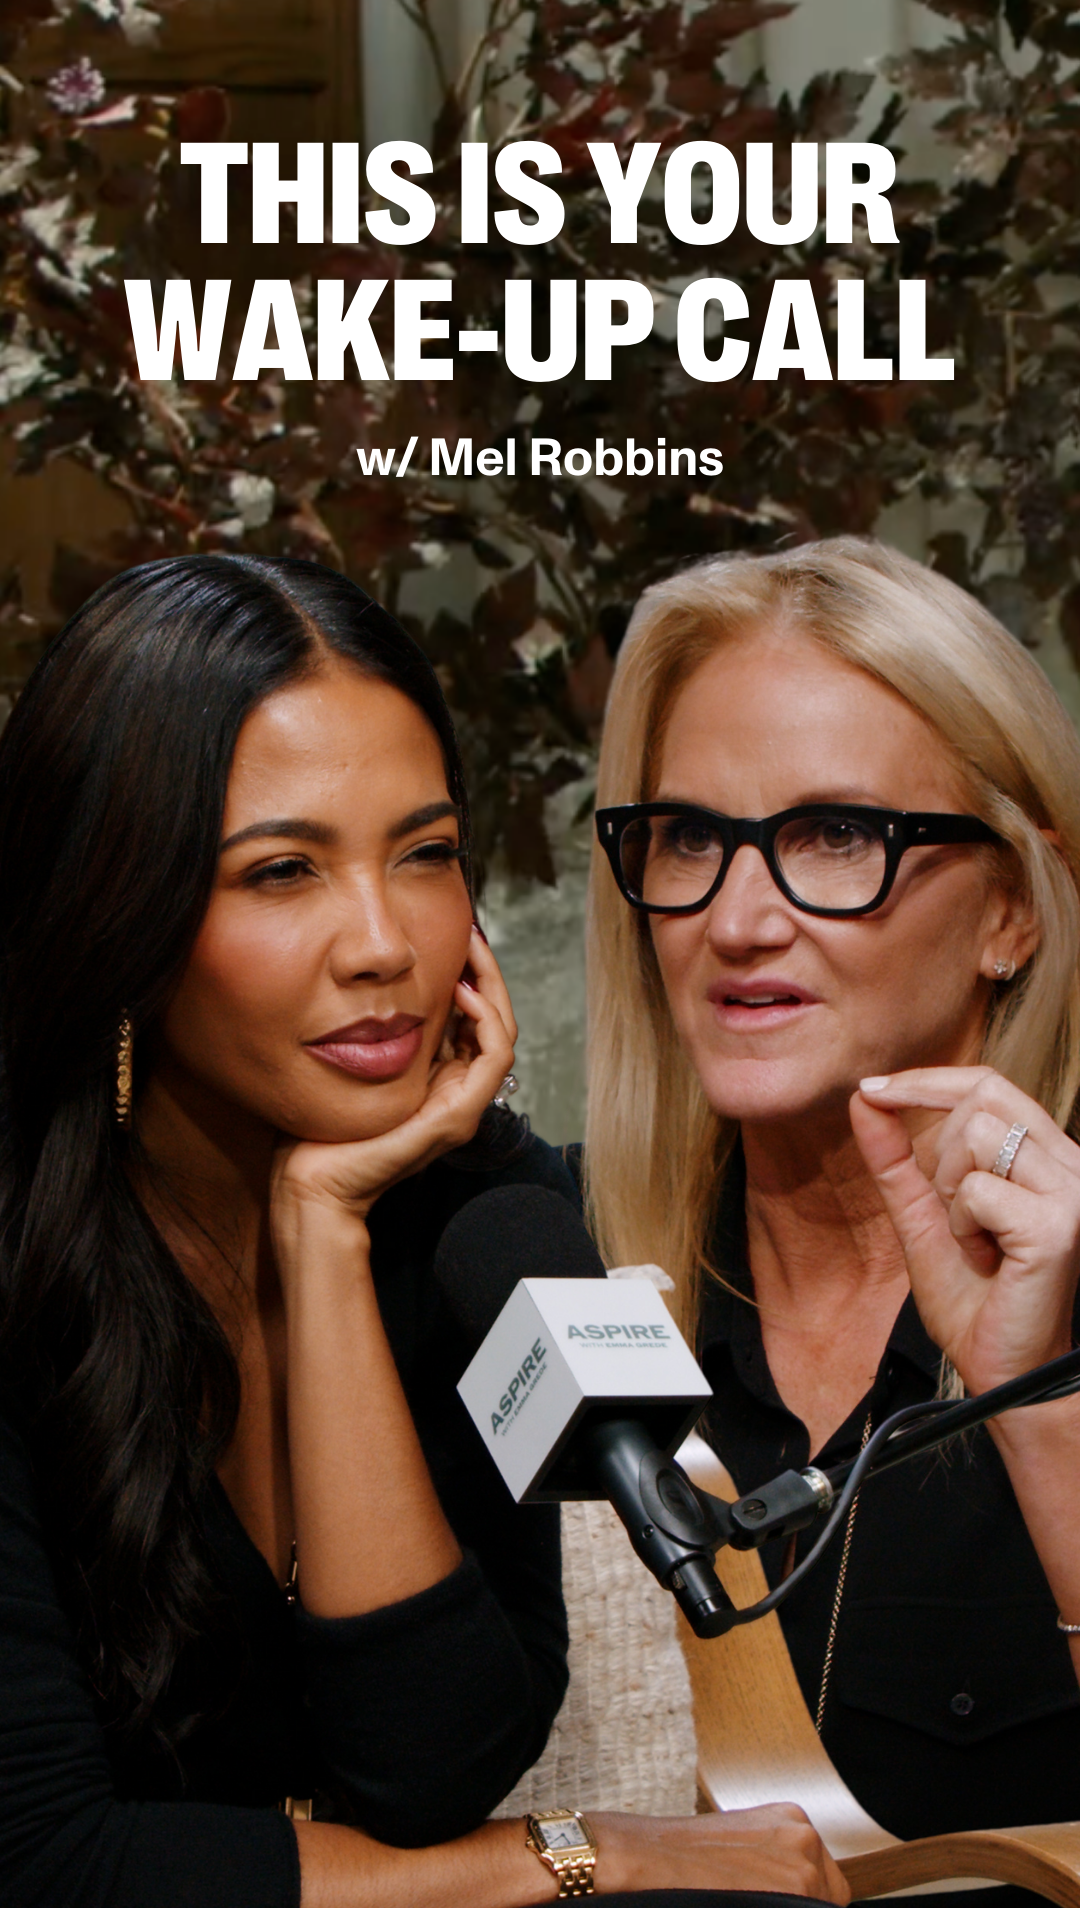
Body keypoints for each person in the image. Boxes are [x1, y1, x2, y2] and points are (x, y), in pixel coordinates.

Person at [0, 553, 848, 1908]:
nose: (386, 942)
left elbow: (428, 1768)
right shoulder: (21, 1252)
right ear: (119, 908)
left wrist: (323, 1232)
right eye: (282, 872)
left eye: (428, 855)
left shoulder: (489, 1226)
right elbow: (45, 1863)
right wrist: (591, 1853)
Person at [583, 536, 1080, 1899]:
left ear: (1008, 912)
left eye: (836, 835)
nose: (737, 919)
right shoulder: (555, 1280)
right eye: (689, 836)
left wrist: (1035, 1409)